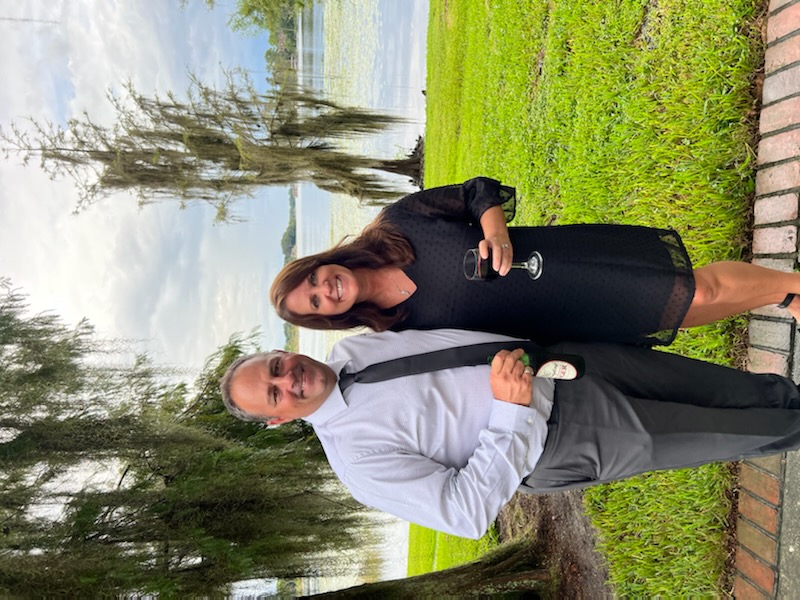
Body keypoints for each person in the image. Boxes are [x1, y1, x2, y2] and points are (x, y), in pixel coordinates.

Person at [219, 328, 800, 539]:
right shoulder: (357, 462)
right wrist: (509, 411)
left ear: (279, 350)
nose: (287, 380)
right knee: (728, 431)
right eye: (274, 394)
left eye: (275, 367)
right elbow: (463, 513)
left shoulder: (353, 349)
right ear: (279, 419)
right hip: (565, 434)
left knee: (734, 392)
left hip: (570, 362)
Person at [271, 177, 800, 346]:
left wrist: (495, 230)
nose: (327, 288)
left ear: (323, 262)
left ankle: (793, 284)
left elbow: (476, 191)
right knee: (671, 315)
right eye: (316, 301)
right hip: (554, 322)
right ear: (326, 317)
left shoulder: (398, 225)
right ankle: (782, 296)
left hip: (564, 263)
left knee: (693, 289)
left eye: (315, 278)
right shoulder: (394, 331)